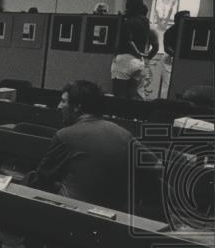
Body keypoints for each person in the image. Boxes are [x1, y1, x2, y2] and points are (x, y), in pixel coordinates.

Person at [28, 80, 137, 213]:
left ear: (77, 107)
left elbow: (41, 179)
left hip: (71, 212)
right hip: (113, 214)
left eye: (63, 101)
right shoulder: (125, 135)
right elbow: (156, 166)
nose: (59, 106)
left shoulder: (65, 135)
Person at [111, 0, 158, 99]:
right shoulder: (147, 24)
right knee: (135, 93)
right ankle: (136, 114)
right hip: (139, 62)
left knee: (120, 94)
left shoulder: (127, 23)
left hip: (125, 60)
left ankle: (119, 115)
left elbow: (128, 40)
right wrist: (145, 58)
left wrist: (137, 52)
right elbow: (156, 47)